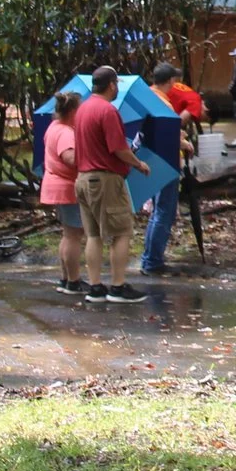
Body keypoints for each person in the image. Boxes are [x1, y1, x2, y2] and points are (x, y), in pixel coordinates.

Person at [73, 66, 151, 303]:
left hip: (83, 178)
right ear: (111, 85)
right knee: (121, 232)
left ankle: (95, 286)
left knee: (93, 234)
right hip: (105, 179)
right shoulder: (107, 111)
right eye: (116, 84)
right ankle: (118, 286)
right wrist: (138, 163)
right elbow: (118, 148)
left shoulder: (82, 109)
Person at [136, 63, 199, 276]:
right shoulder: (161, 103)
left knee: (158, 211)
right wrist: (183, 143)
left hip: (152, 160)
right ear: (171, 80)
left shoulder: (147, 96)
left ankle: (150, 257)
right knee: (164, 211)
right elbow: (166, 134)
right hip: (165, 161)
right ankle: (153, 261)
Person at [39, 90, 85, 293]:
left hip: (57, 186)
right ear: (73, 111)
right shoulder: (66, 133)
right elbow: (70, 158)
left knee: (68, 234)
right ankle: (74, 281)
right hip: (67, 187)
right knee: (74, 235)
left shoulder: (54, 127)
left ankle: (66, 278)